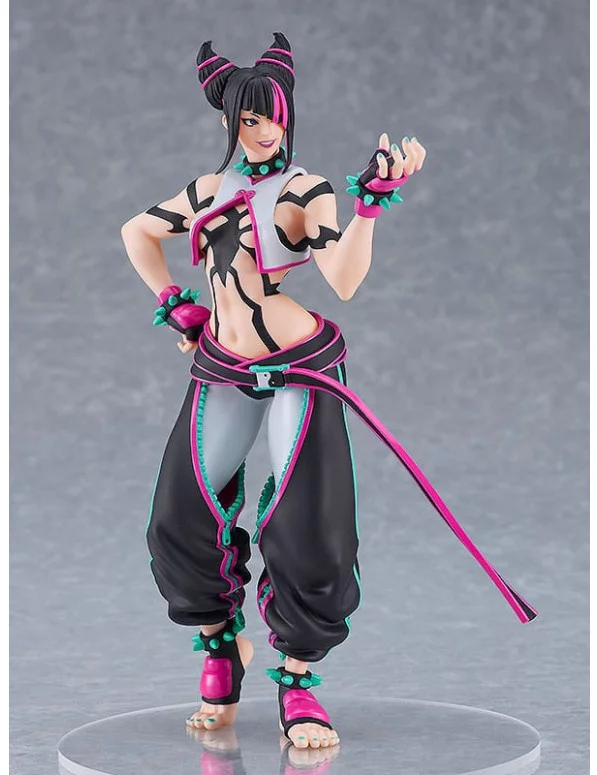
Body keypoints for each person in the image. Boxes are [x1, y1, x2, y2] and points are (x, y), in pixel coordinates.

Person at [121, 32, 535, 751]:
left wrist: (369, 204)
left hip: (298, 364)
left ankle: (298, 679)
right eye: (250, 118)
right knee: (178, 518)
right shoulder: (208, 191)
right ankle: (222, 645)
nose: (264, 130)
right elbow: (137, 233)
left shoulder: (303, 189)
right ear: (230, 120)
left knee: (307, 521)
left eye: (273, 115)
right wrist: (176, 306)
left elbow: (343, 278)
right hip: (223, 362)